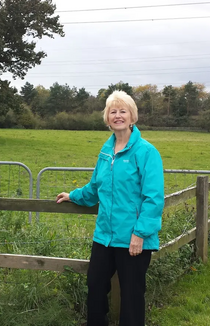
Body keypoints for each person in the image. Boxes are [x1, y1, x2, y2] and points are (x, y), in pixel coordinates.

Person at [56, 90, 164, 326]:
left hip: (133, 239)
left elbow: (154, 198)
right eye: (113, 111)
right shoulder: (106, 152)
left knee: (132, 295)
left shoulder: (146, 152)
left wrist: (140, 234)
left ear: (132, 116)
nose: (118, 116)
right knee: (94, 286)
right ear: (107, 118)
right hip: (104, 236)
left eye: (122, 111)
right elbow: (95, 187)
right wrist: (72, 195)